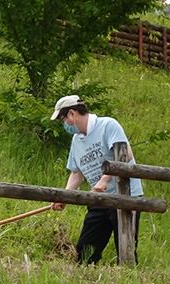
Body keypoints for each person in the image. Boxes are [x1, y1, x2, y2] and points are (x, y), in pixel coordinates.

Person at [49, 95, 143, 265]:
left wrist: (105, 180)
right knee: (85, 250)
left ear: (72, 114)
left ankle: (129, 278)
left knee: (125, 247)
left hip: (125, 197)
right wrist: (65, 196)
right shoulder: (76, 141)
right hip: (99, 199)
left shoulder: (108, 125)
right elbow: (76, 173)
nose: (64, 125)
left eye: (63, 119)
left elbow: (125, 154)